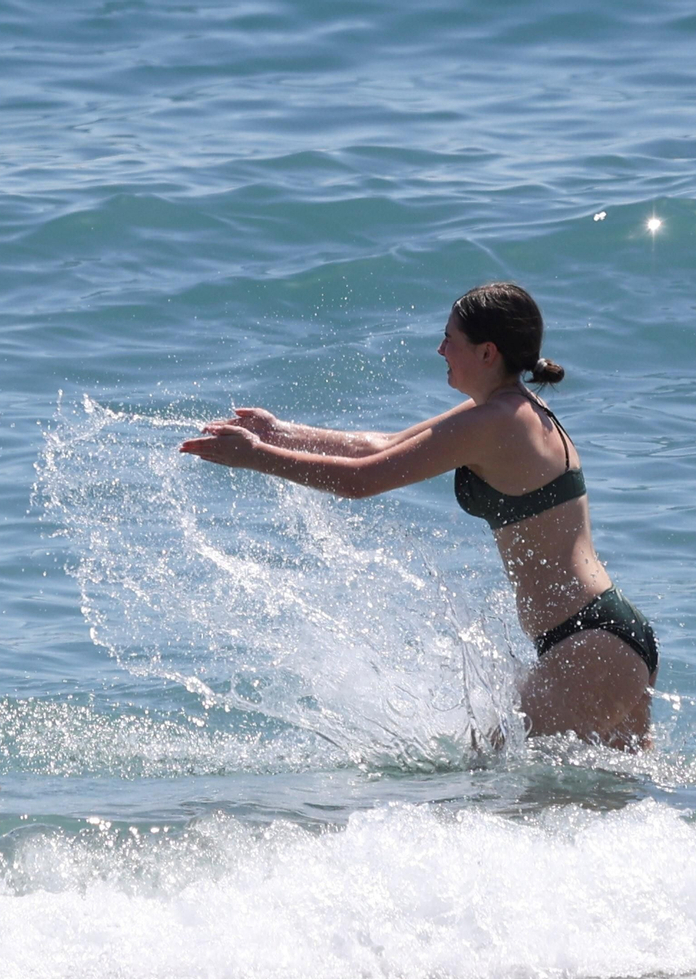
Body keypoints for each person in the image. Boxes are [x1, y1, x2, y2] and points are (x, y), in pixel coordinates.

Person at [178, 283, 657, 749]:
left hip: (591, 644)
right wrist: (281, 432)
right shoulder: (510, 410)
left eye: (451, 339)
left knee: (489, 782)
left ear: (487, 352)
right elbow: (383, 445)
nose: (440, 348)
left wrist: (257, 457)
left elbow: (358, 481)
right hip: (605, 636)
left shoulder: (497, 422)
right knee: (612, 804)